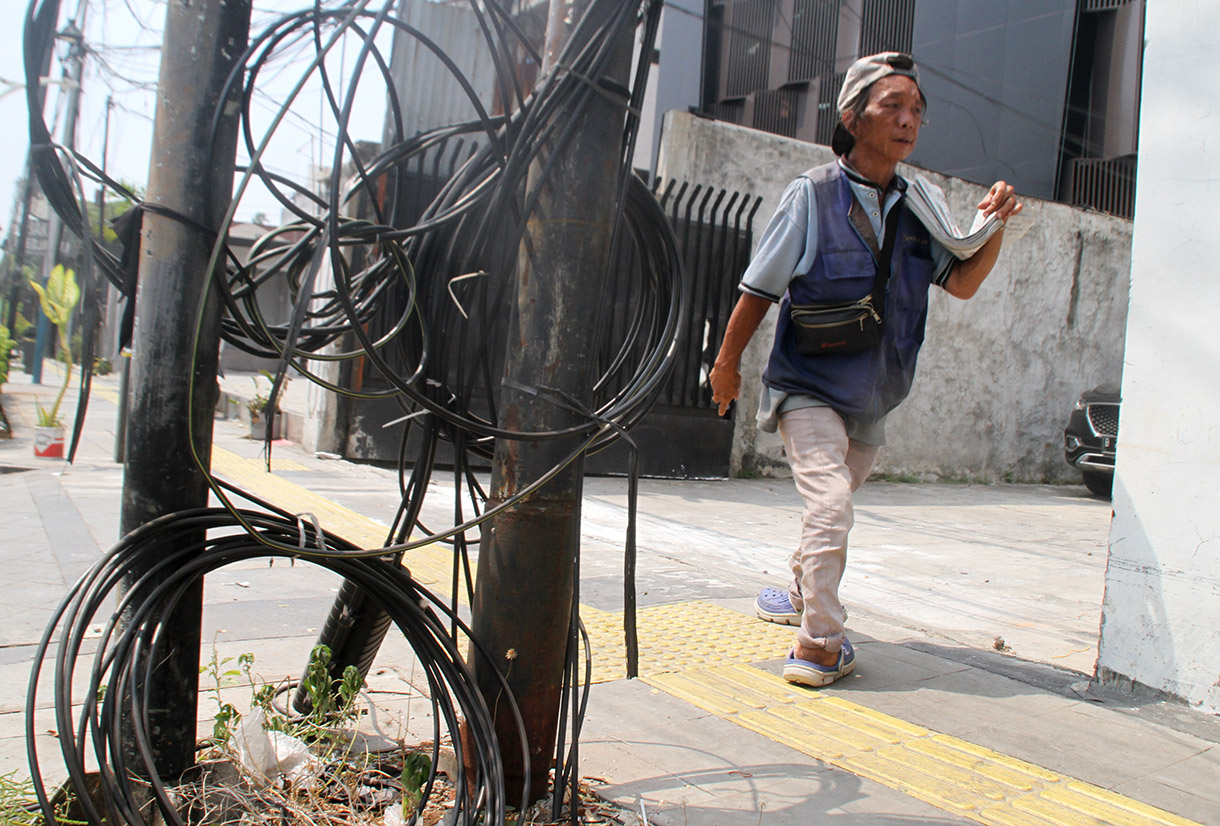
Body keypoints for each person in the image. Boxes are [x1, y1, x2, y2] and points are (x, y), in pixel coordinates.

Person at [708, 52, 1022, 688]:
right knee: (829, 502)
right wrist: (726, 364)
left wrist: (996, 229)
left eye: (916, 110)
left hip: (874, 393)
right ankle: (820, 642)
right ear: (853, 118)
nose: (909, 120)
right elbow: (759, 290)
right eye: (893, 107)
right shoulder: (812, 196)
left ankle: (799, 588)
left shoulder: (919, 206)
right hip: (809, 383)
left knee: (835, 501)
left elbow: (958, 282)